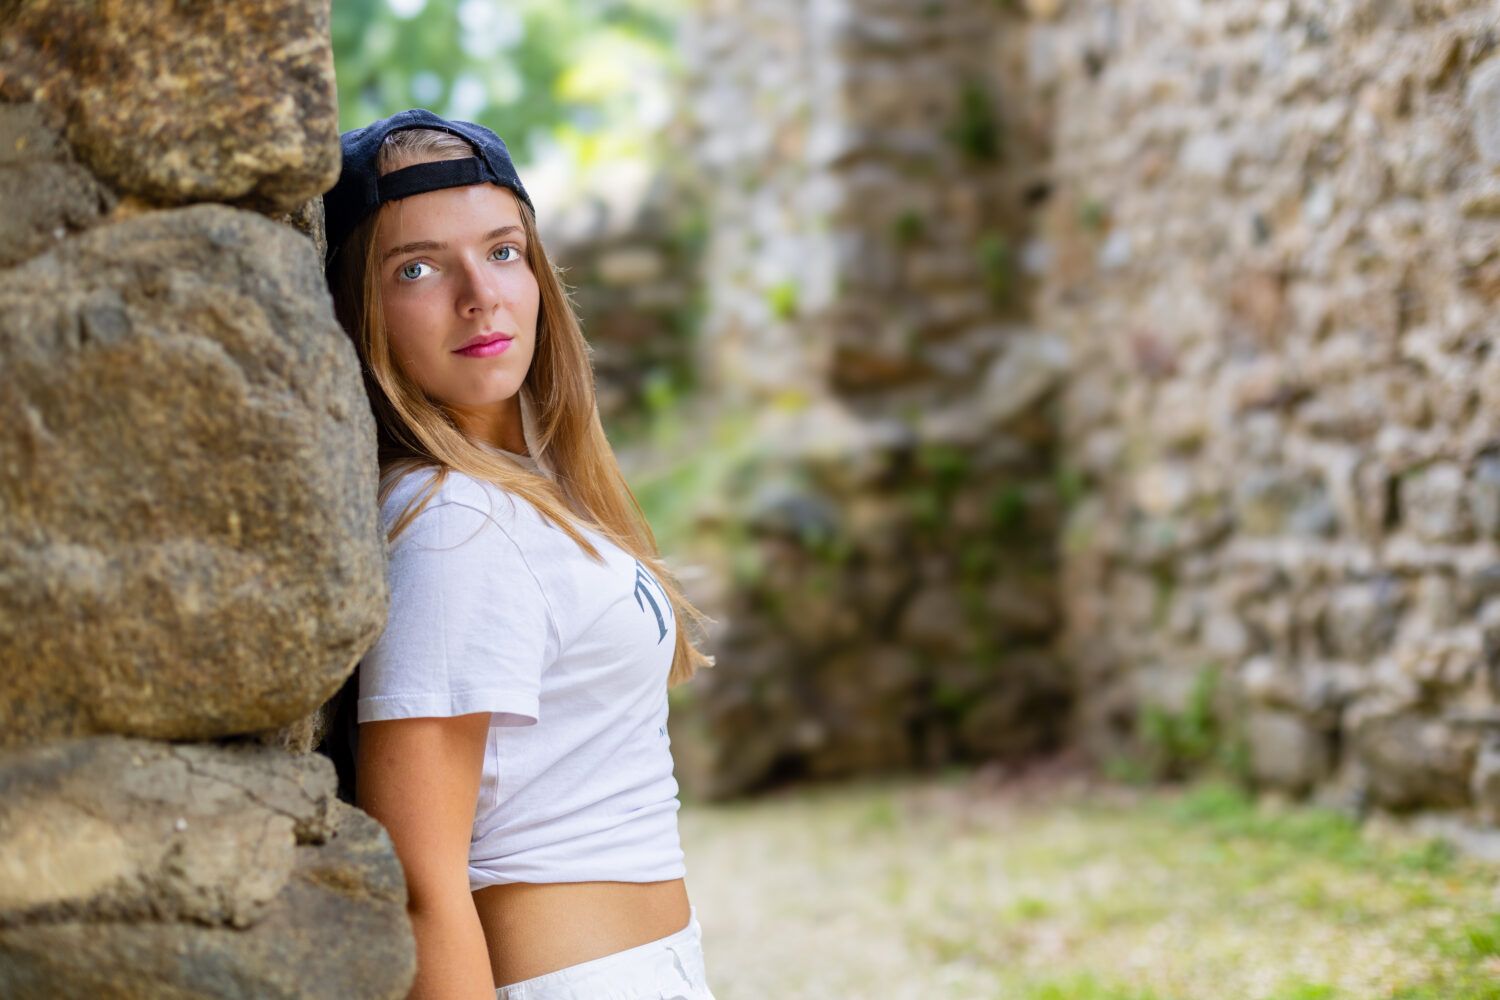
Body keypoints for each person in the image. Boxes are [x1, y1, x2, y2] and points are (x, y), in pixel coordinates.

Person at [319, 108, 716, 1000]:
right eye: (416, 268)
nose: (480, 295)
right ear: (357, 307)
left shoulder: (522, 492)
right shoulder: (457, 526)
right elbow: (422, 888)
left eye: (502, 252)